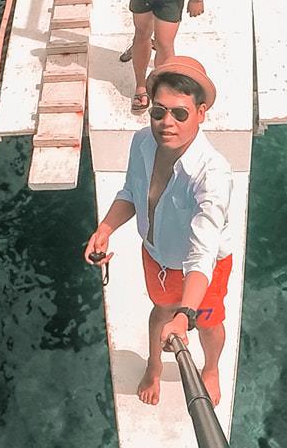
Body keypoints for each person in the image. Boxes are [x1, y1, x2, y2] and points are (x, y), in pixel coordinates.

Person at [83, 55, 233, 406]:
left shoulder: (213, 174)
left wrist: (187, 314)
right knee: (160, 311)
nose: (167, 122)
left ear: (201, 112)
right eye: (158, 111)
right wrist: (105, 229)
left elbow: (202, 255)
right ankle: (154, 365)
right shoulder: (141, 142)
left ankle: (211, 368)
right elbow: (131, 194)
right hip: (156, 257)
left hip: (203, 270)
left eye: (180, 113)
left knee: (208, 323)